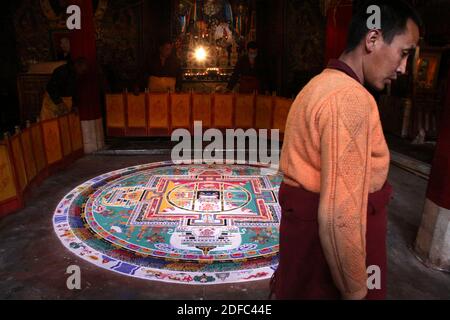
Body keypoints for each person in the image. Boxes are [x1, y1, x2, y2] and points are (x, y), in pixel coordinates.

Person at [272, 0, 421, 300]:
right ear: (373, 39)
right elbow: (341, 216)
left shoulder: (319, 84)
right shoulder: (350, 100)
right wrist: (356, 291)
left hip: (303, 249)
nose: (404, 68)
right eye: (404, 53)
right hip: (327, 260)